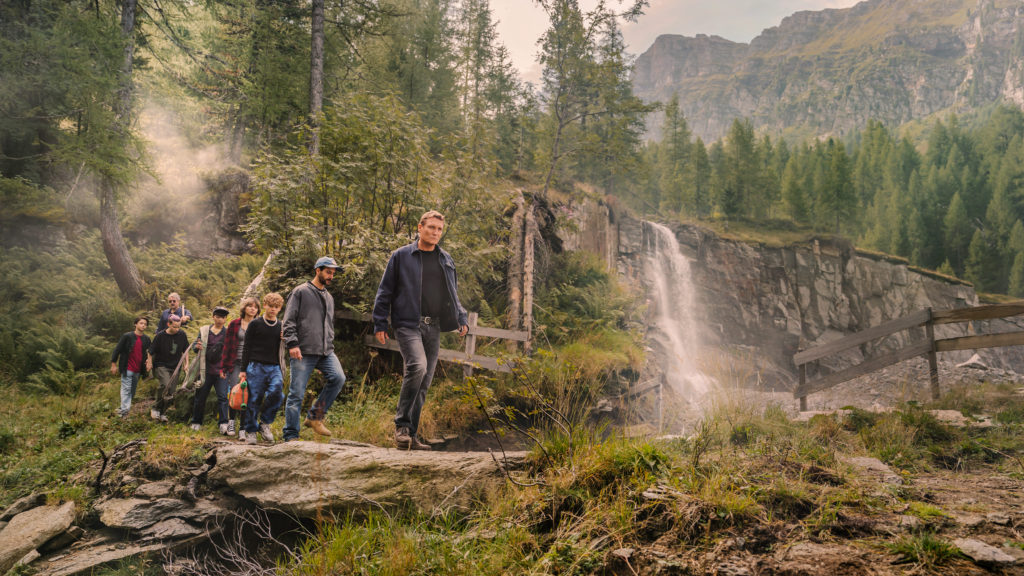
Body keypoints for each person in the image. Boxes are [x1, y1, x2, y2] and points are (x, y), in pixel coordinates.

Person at [373, 210, 468, 450]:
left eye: (439, 229)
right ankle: (401, 427)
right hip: (407, 323)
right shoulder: (401, 256)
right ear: (420, 227)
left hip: (433, 326)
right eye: (431, 227)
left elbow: (453, 293)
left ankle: (411, 437)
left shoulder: (445, 259)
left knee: (425, 381)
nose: (435, 232)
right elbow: (385, 291)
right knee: (417, 366)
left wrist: (461, 317)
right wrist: (380, 322)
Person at [281, 256, 347, 441]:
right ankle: (291, 436)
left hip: (326, 351)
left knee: (338, 378)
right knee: (296, 394)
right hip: (303, 350)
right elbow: (288, 321)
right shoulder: (300, 292)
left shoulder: (329, 297)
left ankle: (315, 417)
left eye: (333, 273)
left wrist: (329, 343)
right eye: (328, 272)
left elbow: (328, 325)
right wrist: (292, 344)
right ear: (317, 270)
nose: (331, 276)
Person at [239, 293, 286, 444]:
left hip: (274, 367)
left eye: (276, 307)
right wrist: (243, 369)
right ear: (264, 305)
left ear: (280, 308)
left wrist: (285, 339)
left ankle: (265, 423)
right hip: (255, 366)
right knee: (253, 398)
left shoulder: (281, 326)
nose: (273, 309)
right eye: (270, 306)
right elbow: (246, 347)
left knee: (277, 392)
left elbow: (289, 345)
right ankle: (251, 431)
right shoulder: (255, 324)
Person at [220, 296, 261, 440]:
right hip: (235, 362)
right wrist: (223, 367)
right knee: (234, 392)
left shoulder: (259, 325)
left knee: (247, 395)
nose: (252, 309)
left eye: (255, 307)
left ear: (257, 310)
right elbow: (226, 346)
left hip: (252, 364)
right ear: (244, 308)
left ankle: (243, 428)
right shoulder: (234, 324)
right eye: (250, 306)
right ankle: (231, 422)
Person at [187, 306, 230, 433]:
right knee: (200, 397)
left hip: (221, 371)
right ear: (213, 317)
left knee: (223, 397)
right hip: (204, 370)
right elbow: (195, 346)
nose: (220, 319)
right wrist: (197, 346)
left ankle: (223, 423)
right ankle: (196, 421)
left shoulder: (227, 333)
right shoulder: (205, 330)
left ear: (225, 319)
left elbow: (230, 351)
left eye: (223, 317)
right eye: (217, 316)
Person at [110, 316, 153, 418]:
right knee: (126, 389)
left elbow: (150, 352)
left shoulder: (146, 339)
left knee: (132, 391)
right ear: (136, 324)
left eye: (145, 324)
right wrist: (113, 364)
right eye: (141, 323)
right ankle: (124, 413)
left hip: (138, 369)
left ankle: (122, 408)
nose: (143, 325)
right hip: (127, 367)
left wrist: (149, 363)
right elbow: (117, 350)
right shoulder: (127, 336)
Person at [149, 314, 190, 422]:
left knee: (171, 392)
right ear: (168, 324)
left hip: (175, 366)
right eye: (174, 327)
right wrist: (149, 363)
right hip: (161, 365)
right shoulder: (160, 336)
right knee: (165, 385)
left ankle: (162, 412)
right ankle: (155, 408)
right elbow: (150, 351)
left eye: (178, 327)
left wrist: (186, 363)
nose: (177, 329)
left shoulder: (182, 334)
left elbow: (186, 350)